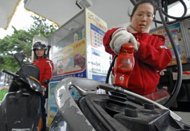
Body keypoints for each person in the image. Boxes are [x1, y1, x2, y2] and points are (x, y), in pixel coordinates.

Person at [103, 0, 172, 97]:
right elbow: (107, 41)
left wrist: (138, 46)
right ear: (131, 17)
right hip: (123, 93)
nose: (144, 19)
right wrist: (116, 34)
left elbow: (164, 59)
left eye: (149, 15)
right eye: (139, 14)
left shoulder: (156, 40)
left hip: (149, 96)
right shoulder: (123, 35)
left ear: (153, 19)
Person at [32, 41, 54, 131]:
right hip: (32, 89)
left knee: (40, 110)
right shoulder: (33, 63)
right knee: (32, 109)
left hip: (41, 89)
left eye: (40, 50)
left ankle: (43, 128)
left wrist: (44, 83)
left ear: (44, 51)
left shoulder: (48, 62)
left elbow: (49, 74)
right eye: (36, 50)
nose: (38, 51)